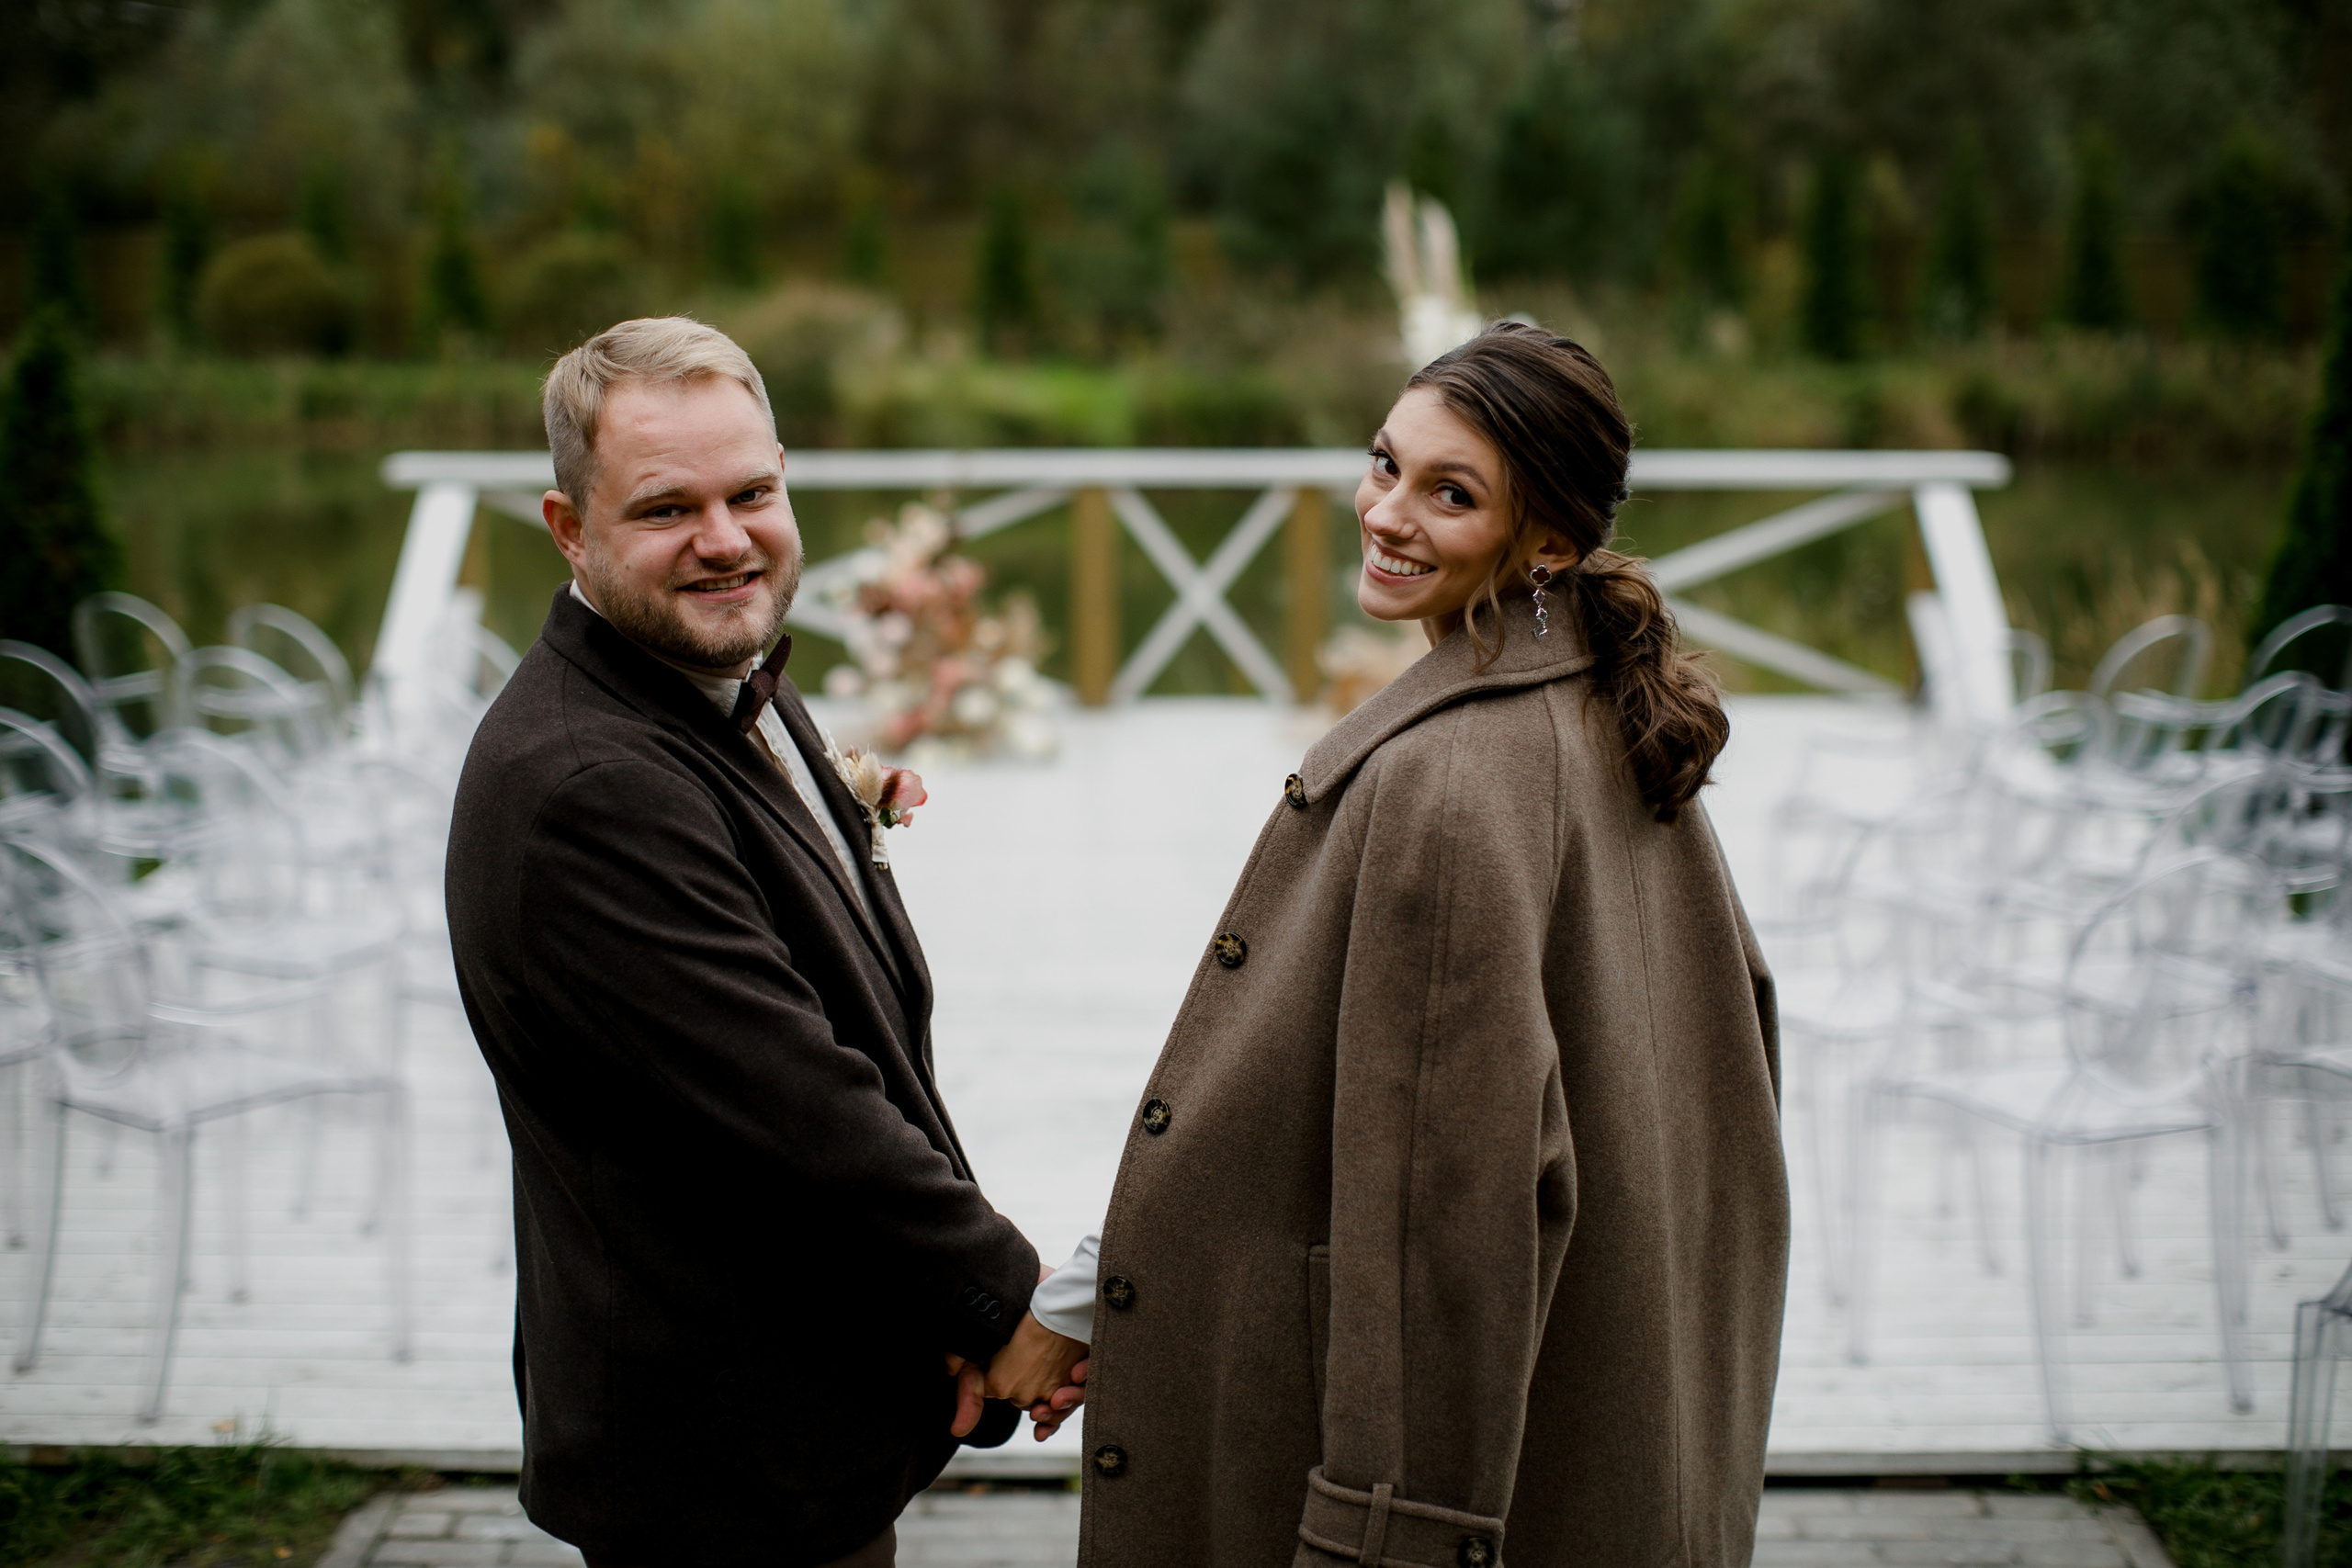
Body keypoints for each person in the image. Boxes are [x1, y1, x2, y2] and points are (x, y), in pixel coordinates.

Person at [1046, 321, 1790, 1567]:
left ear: (1550, 541)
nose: (1387, 513)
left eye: (1450, 494)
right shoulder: (1606, 707)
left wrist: (1380, 1539)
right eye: (1384, 465)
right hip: (1631, 1453)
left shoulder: (1450, 784)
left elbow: (1445, 1222)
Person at [446, 317, 1062, 1568]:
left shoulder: (721, 681)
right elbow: (794, 1107)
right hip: (717, 1469)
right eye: (668, 508)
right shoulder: (588, 787)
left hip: (803, 1417)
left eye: (755, 493)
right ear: (570, 531)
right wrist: (1001, 1301)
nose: (726, 541)